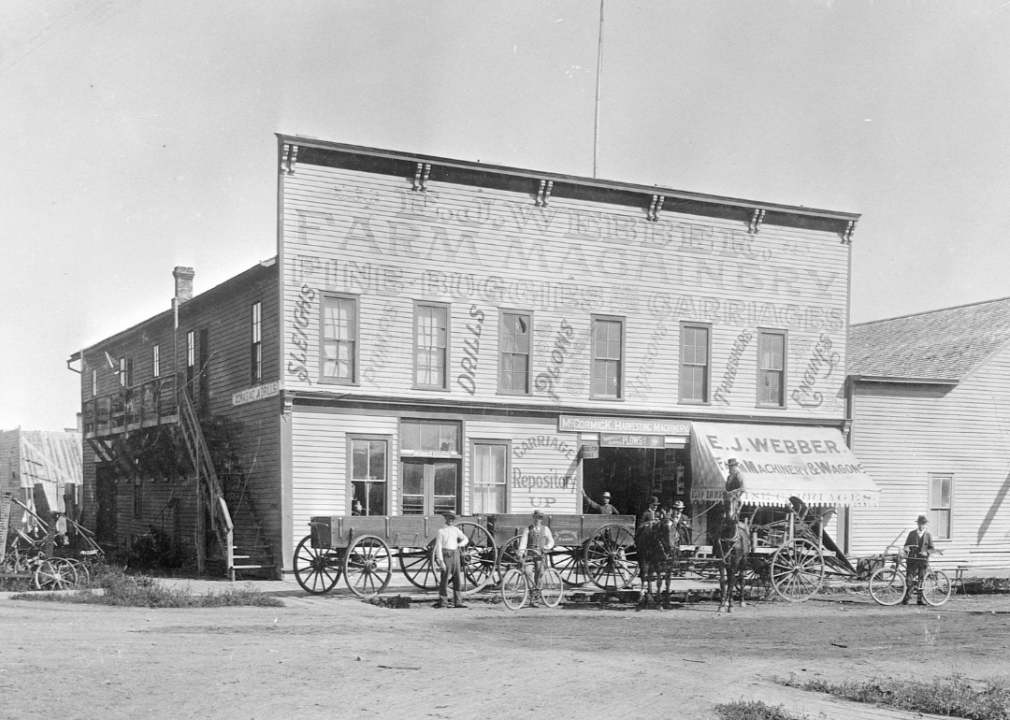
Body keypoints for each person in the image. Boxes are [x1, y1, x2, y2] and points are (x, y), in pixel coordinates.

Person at [518, 509, 555, 607]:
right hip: (530, 556)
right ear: (533, 517)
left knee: (539, 574)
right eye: (536, 517)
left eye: (540, 518)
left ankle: (536, 598)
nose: (538, 519)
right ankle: (532, 595)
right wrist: (521, 553)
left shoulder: (545, 529)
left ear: (542, 519)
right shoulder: (527, 529)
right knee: (528, 572)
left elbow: (551, 541)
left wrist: (547, 547)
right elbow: (523, 543)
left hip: (540, 557)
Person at [433, 511, 469, 609]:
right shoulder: (441, 531)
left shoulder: (456, 530)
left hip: (456, 554)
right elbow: (438, 547)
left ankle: (458, 602)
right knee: (444, 579)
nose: (451, 520)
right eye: (449, 518)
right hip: (446, 554)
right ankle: (443, 602)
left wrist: (460, 544)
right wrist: (441, 562)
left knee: (457, 579)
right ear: (446, 518)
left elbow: (465, 539)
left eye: (452, 518)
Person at [903, 514, 934, 605]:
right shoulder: (912, 534)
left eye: (923, 524)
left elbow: (932, 548)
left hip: (923, 561)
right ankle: (907, 598)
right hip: (912, 560)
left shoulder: (928, 535)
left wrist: (927, 552)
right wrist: (906, 548)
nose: (921, 526)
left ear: (925, 525)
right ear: (917, 524)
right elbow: (906, 545)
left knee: (921, 579)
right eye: (920, 524)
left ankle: (920, 600)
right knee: (909, 579)